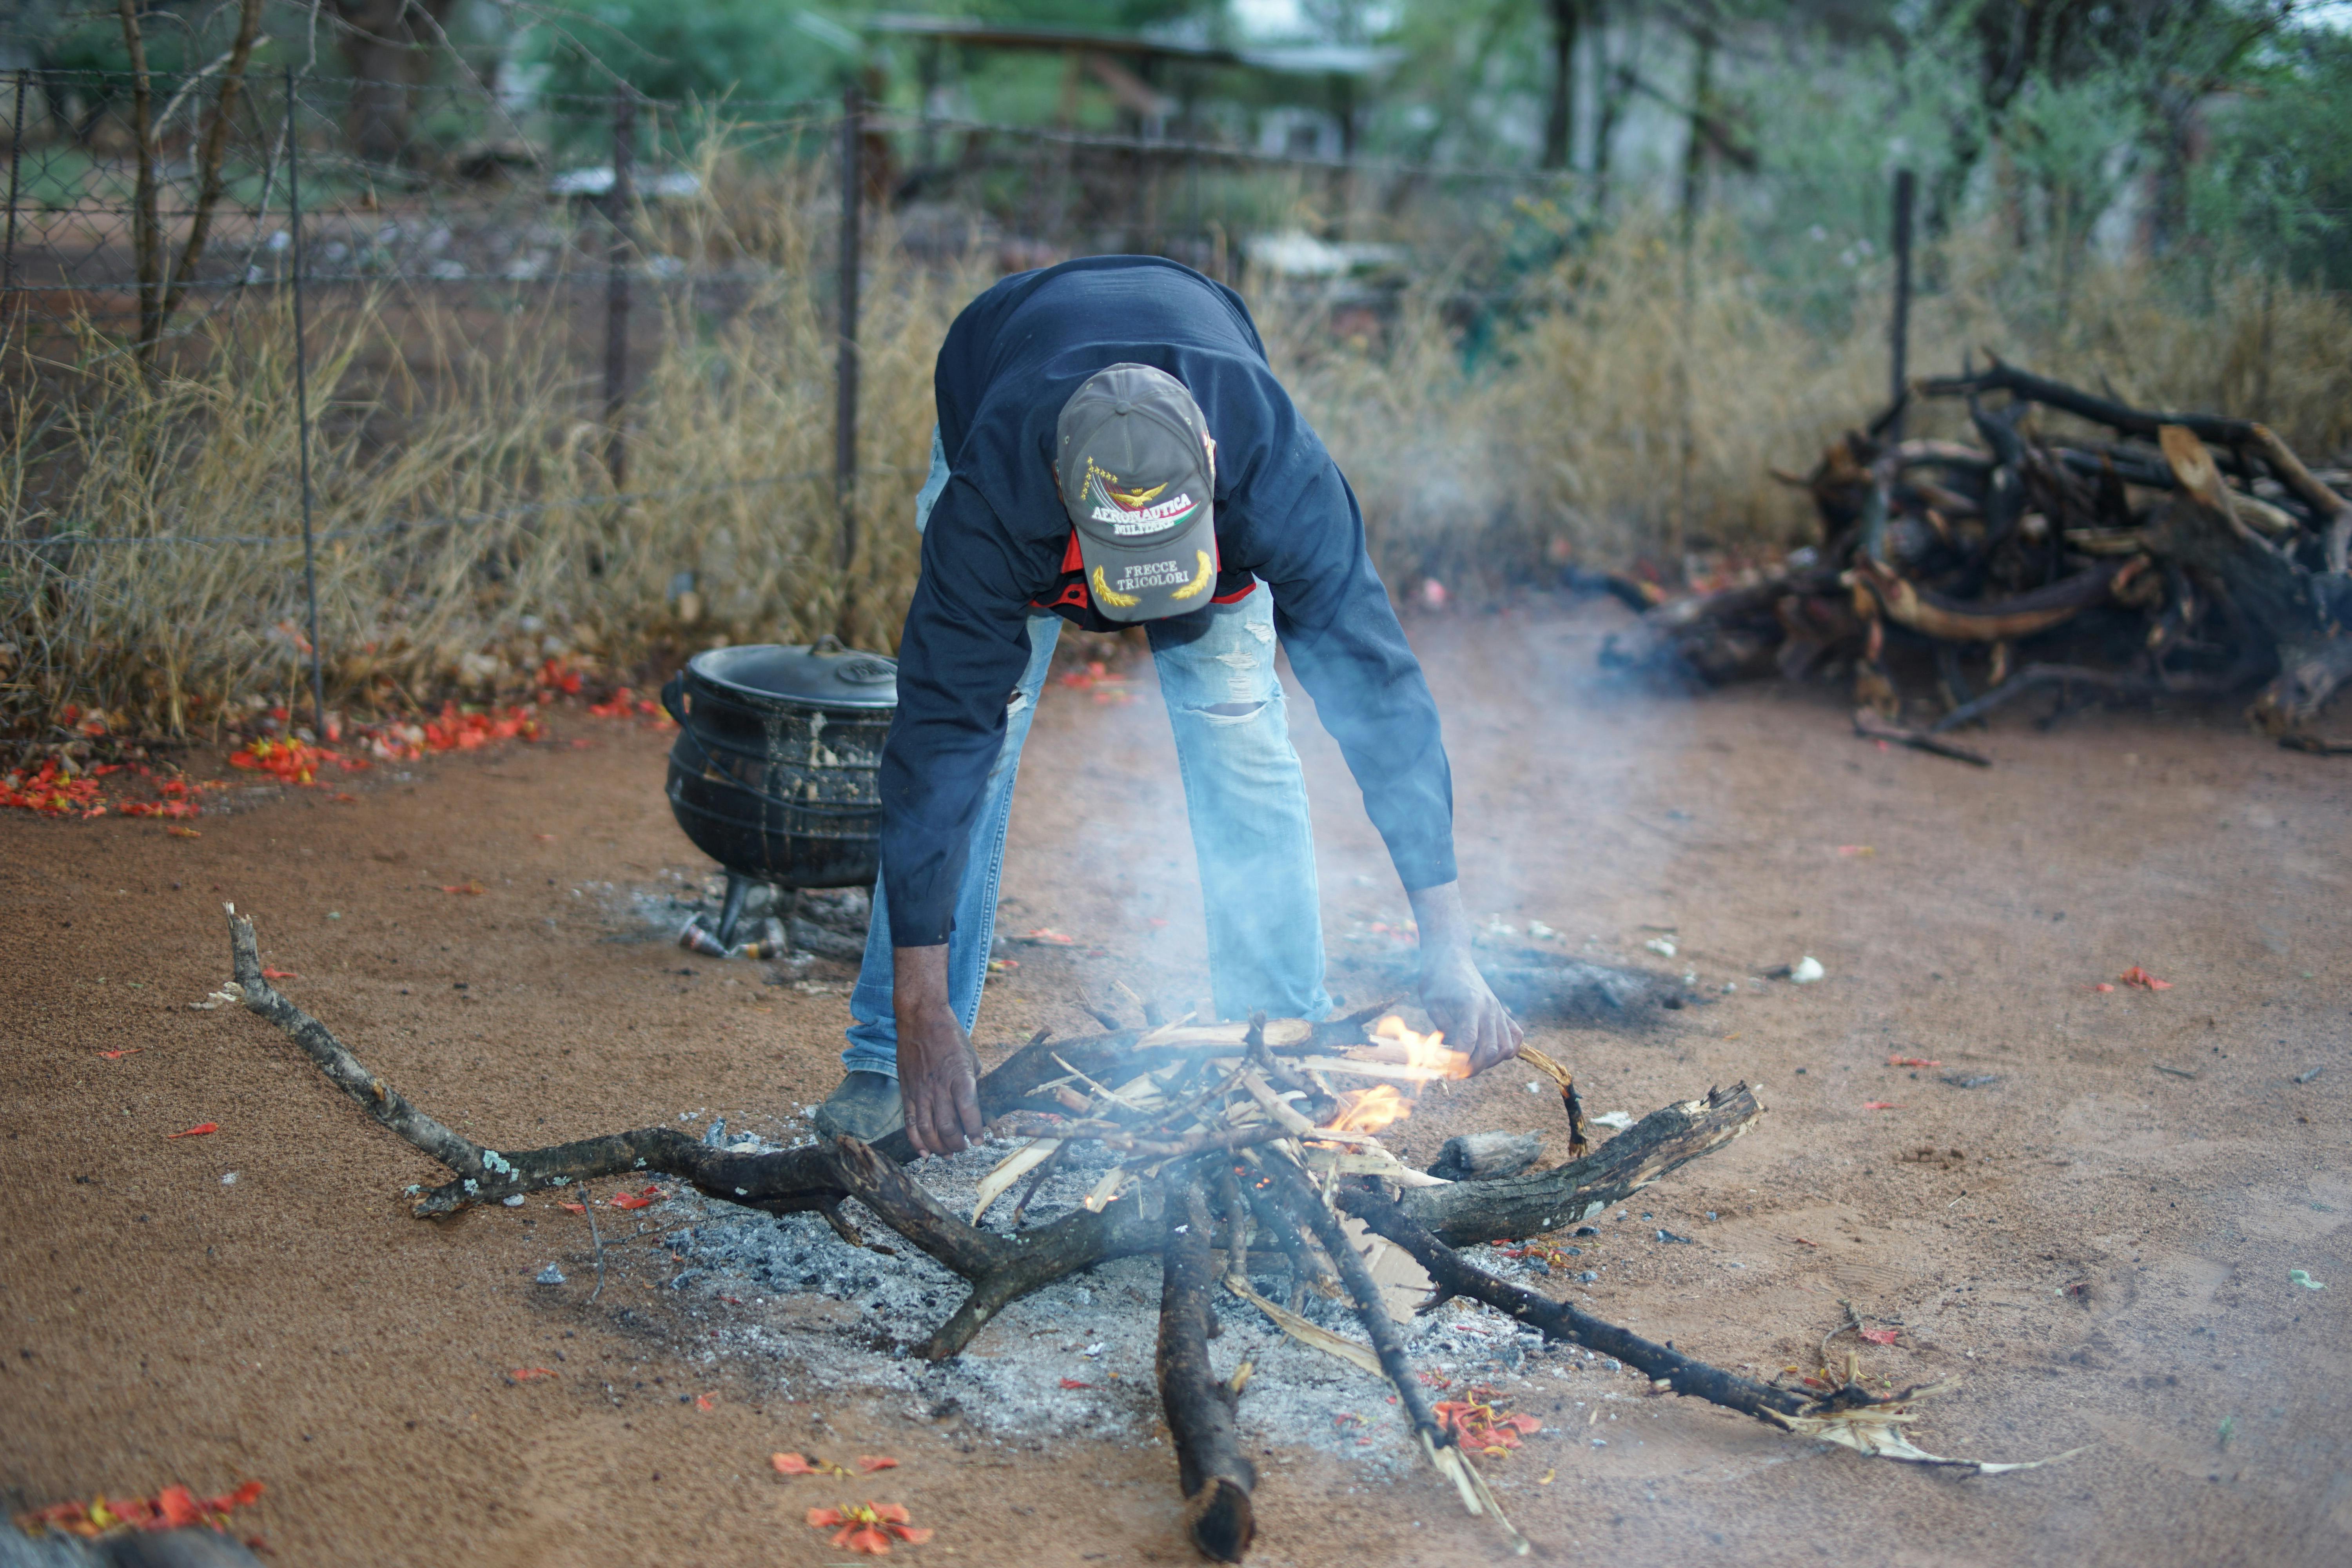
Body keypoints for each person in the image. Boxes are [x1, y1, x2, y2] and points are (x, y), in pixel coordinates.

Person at [814, 254, 1522, 1155]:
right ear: (1072, 502)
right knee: (978, 754)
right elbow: (937, 741)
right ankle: (888, 1051)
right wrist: (922, 1006)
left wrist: (1448, 944)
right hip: (1003, 379)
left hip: (1205, 471)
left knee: (1242, 735)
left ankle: (1277, 1046)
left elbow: (1379, 697)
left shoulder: (1276, 472)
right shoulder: (992, 501)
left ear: (1214, 469)